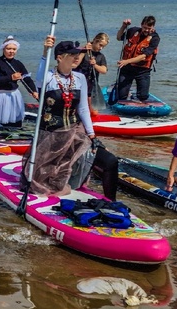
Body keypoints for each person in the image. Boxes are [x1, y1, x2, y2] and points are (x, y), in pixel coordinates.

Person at [31, 40, 119, 199]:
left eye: (78, 54)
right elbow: (40, 78)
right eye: (72, 54)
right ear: (59, 57)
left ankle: (111, 202)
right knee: (42, 180)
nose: (77, 57)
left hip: (75, 134)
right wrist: (45, 52)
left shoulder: (79, 78)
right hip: (51, 137)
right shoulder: (48, 78)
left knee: (110, 161)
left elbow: (83, 108)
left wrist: (91, 135)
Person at [114, 15, 160, 102]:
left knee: (143, 97)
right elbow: (119, 37)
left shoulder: (155, 38)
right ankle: (125, 93)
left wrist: (126, 61)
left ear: (153, 27)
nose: (146, 30)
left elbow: (144, 56)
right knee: (121, 97)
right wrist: (124, 26)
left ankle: (138, 95)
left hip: (143, 70)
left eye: (149, 28)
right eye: (144, 27)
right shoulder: (133, 31)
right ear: (141, 25)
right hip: (127, 69)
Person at [75, 33, 110, 111]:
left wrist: (95, 65)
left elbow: (104, 70)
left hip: (92, 86)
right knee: (79, 109)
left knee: (94, 112)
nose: (101, 48)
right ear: (95, 41)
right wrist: (84, 51)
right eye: (100, 45)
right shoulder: (82, 51)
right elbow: (75, 65)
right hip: (78, 85)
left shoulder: (101, 56)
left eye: (103, 47)